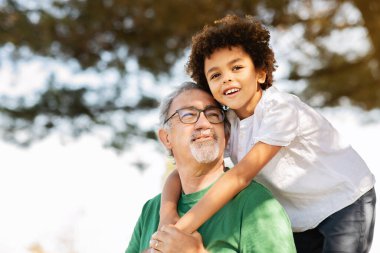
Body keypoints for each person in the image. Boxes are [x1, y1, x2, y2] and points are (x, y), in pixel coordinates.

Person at [156, 14, 376, 253]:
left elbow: (240, 177)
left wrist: (179, 232)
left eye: (237, 67)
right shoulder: (228, 123)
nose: (227, 77)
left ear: (261, 73)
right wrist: (167, 216)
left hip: (344, 202)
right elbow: (177, 173)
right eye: (215, 75)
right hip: (301, 219)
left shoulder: (280, 109)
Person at [126, 82, 296, 253]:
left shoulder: (256, 204)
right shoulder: (152, 209)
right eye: (188, 115)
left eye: (213, 115)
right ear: (166, 138)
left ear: (226, 135)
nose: (204, 123)